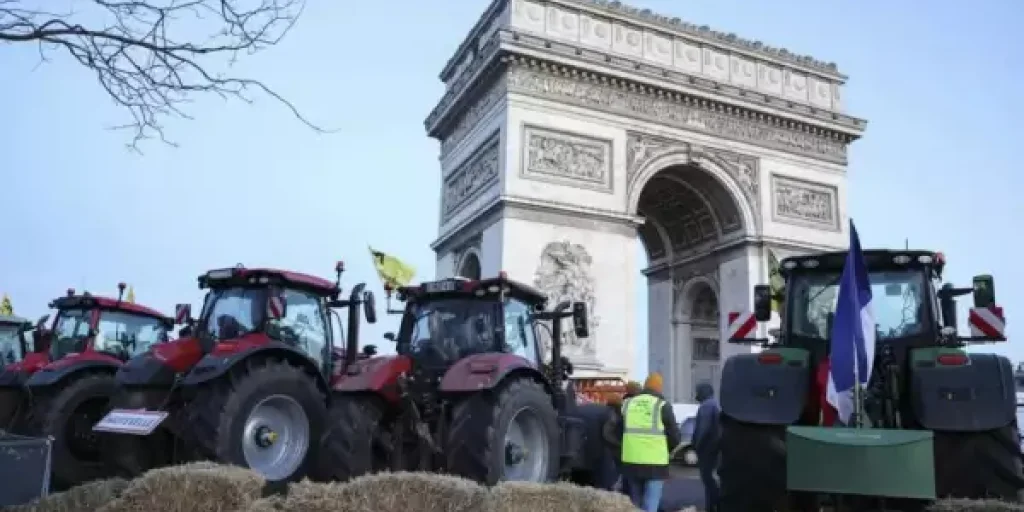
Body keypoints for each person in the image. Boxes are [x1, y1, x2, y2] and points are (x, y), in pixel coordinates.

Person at [617, 373, 681, 512]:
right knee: (650, 505)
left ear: (645, 386)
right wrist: (665, 450)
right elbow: (675, 437)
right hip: (655, 465)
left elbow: (618, 432)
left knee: (634, 505)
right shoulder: (662, 405)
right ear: (659, 388)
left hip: (631, 462)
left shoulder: (628, 404)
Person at [603, 380, 642, 494]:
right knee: (624, 474)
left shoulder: (623, 404)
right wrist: (618, 443)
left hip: (619, 447)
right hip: (621, 448)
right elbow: (608, 432)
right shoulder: (626, 406)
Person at [692, 381, 721, 512]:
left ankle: (714, 506)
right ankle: (712, 507)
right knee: (713, 479)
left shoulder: (706, 407)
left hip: (707, 451)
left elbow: (702, 430)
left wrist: (696, 447)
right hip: (717, 450)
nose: (696, 395)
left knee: (708, 480)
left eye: (698, 392)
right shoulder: (716, 404)